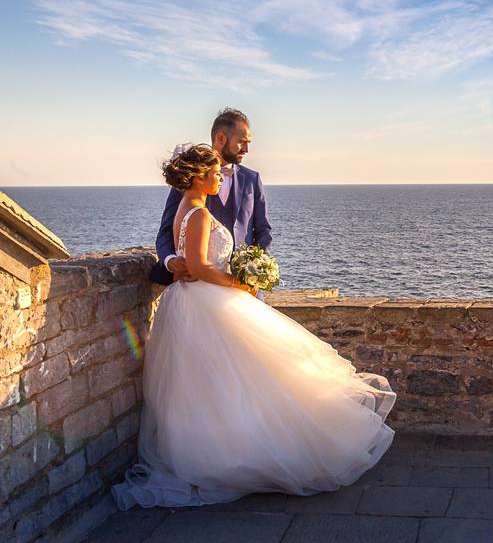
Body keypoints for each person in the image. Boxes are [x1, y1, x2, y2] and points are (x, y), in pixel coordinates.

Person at [112, 144, 395, 509]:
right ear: (199, 176)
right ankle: (244, 454)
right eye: (214, 173)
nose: (219, 177)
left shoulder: (189, 206)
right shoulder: (197, 214)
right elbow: (198, 266)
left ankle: (214, 452)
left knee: (211, 386)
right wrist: (240, 284)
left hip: (190, 303)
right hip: (206, 301)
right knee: (240, 378)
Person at [149, 107, 271, 287]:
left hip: (244, 290)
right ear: (221, 138)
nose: (246, 149)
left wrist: (257, 271)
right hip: (201, 287)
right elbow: (167, 230)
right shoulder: (189, 180)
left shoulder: (252, 179)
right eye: (242, 142)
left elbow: (263, 231)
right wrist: (171, 260)